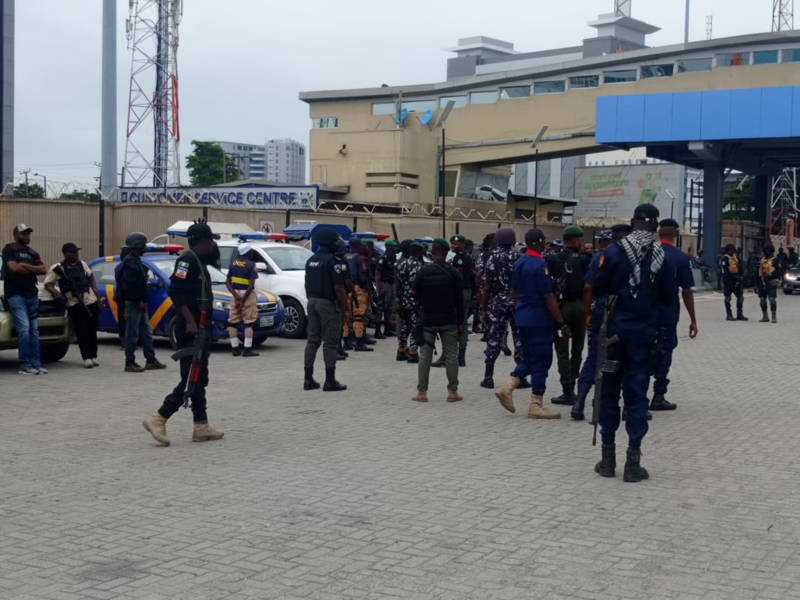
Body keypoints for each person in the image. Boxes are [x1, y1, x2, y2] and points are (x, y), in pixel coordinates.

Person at [587, 204, 674, 483]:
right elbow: (668, 300)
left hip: (613, 336)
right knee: (637, 396)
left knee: (609, 392)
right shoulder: (664, 257)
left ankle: (608, 458)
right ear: (655, 226)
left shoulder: (613, 252)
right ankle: (633, 463)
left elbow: (595, 286)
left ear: (633, 221)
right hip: (643, 338)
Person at [142, 220, 224, 446]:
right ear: (202, 241)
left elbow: (216, 259)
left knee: (199, 377)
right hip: (190, 329)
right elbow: (176, 293)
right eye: (210, 241)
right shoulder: (187, 260)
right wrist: (189, 321)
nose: (212, 245)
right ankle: (159, 417)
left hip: (200, 327)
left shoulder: (199, 260)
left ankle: (201, 426)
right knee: (191, 378)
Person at [495, 228, 567, 420]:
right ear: (540, 242)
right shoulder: (539, 264)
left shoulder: (519, 262)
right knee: (542, 360)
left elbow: (514, 292)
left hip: (522, 317)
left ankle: (508, 386)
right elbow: (549, 297)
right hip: (539, 319)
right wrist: (560, 320)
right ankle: (536, 403)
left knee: (529, 356)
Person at [651, 219, 699, 411]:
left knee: (641, 352)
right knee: (664, 354)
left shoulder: (648, 253)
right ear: (675, 236)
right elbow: (686, 291)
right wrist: (693, 320)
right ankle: (658, 395)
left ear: (658, 234)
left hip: (644, 314)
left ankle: (635, 396)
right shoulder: (680, 258)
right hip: (667, 316)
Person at [571, 228, 616, 421]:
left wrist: (588, 312)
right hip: (615, 312)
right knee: (612, 359)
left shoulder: (596, 259)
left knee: (592, 358)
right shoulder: (620, 258)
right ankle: (602, 404)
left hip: (598, 311)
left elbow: (588, 287)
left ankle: (579, 401)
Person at [411, 239, 464, 403]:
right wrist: (461, 322)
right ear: (447, 252)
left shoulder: (423, 272)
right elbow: (460, 301)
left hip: (427, 319)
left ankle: (422, 393)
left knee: (425, 356)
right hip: (449, 319)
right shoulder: (454, 273)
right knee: (451, 356)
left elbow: (414, 294)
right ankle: (452, 392)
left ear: (432, 252)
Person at [547, 225, 590, 406]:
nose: (581, 243)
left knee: (562, 351)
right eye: (580, 239)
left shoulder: (553, 259)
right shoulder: (584, 260)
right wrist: (588, 311)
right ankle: (575, 384)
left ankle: (567, 390)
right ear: (575, 240)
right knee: (578, 348)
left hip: (560, 308)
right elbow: (589, 286)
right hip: (579, 307)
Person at [303, 228, 350, 392]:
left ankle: (308, 380)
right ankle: (330, 381)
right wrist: (346, 308)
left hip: (312, 302)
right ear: (331, 242)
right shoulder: (333, 261)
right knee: (330, 343)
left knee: (312, 341)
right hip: (328, 304)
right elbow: (339, 288)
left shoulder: (310, 260)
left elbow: (307, 284)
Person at [44, 243, 103, 368]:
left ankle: (93, 355)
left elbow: (91, 277)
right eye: (73, 253)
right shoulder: (58, 268)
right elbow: (48, 284)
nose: (76, 255)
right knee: (82, 331)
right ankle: (86, 357)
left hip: (90, 300)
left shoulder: (82, 264)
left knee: (92, 330)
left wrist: (96, 295)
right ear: (65, 254)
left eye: (76, 252)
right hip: (74, 303)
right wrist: (59, 295)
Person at [1, 224, 48, 375]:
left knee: (34, 331)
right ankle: (25, 365)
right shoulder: (8, 249)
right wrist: (31, 268)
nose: (27, 236)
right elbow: (14, 268)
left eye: (28, 233)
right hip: (16, 295)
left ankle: (36, 364)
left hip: (32, 295)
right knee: (24, 329)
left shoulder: (33, 252)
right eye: (24, 234)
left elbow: (43, 269)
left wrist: (25, 266)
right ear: (16, 234)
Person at [480, 228, 521, 389]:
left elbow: (486, 284)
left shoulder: (492, 257)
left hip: (497, 301)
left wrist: (483, 306)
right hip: (517, 301)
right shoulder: (518, 256)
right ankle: (520, 376)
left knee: (494, 338)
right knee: (519, 338)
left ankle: (488, 377)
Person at [118, 232, 166, 373]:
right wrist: (140, 300)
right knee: (132, 333)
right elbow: (132, 285)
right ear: (137, 246)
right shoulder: (130, 262)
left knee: (146, 332)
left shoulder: (136, 260)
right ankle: (130, 362)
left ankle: (150, 359)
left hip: (140, 302)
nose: (145, 248)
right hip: (134, 303)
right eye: (143, 245)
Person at [225, 243, 260, 357]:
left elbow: (227, 282)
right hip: (247, 295)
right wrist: (243, 299)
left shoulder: (233, 264)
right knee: (249, 323)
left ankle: (235, 349)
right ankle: (247, 350)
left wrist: (236, 297)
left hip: (235, 294)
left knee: (232, 322)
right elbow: (251, 284)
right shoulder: (251, 264)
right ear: (248, 252)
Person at [446, 234, 475, 368]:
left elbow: (456, 277)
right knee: (460, 322)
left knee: (458, 323)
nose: (454, 246)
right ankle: (459, 355)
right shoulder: (463, 257)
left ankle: (459, 355)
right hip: (464, 291)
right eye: (453, 243)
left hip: (461, 292)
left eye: (457, 244)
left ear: (463, 244)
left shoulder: (460, 259)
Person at [396, 241, 425, 363]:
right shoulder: (418, 265)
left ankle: (401, 350)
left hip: (404, 299)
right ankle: (413, 353)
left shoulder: (401, 264)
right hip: (415, 301)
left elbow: (398, 284)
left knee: (405, 325)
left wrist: (400, 299)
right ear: (418, 252)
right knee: (415, 326)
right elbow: (417, 285)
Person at [344, 239, 374, 352]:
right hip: (358, 288)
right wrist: (366, 288)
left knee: (347, 316)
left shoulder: (345, 256)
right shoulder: (360, 258)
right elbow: (363, 275)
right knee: (359, 316)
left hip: (347, 289)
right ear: (358, 246)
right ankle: (359, 342)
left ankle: (346, 342)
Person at [375, 240, 399, 337]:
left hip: (391, 285)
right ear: (388, 248)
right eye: (393, 248)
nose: (395, 250)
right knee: (381, 308)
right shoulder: (383, 258)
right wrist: (379, 287)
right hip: (384, 285)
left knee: (389, 308)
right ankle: (377, 331)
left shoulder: (392, 258)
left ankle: (387, 329)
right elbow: (377, 274)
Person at [473, 234, 495, 336]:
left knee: (484, 309)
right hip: (499, 290)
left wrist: (477, 286)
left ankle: (487, 333)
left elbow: (479, 272)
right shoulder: (507, 254)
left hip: (485, 287)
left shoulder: (484, 255)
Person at [720, 244, 747, 322]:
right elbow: (725, 271)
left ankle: (739, 314)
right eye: (731, 250)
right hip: (728, 281)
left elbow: (740, 267)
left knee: (740, 297)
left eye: (733, 250)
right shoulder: (725, 259)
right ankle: (729, 314)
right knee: (728, 298)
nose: (732, 252)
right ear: (728, 251)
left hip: (736, 281)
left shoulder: (735, 258)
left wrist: (740, 277)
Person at [758, 244, 781, 323]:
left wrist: (777, 280)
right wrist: (757, 283)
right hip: (762, 282)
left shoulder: (775, 260)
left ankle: (773, 316)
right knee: (762, 300)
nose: (767, 252)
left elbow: (778, 271)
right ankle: (765, 316)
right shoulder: (762, 260)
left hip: (772, 281)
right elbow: (758, 272)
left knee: (772, 300)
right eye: (765, 251)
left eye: (768, 251)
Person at [114, 246, 130, 348]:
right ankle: (124, 340)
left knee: (123, 319)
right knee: (124, 319)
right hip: (124, 296)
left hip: (122, 296)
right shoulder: (123, 267)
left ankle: (124, 340)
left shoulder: (119, 267)